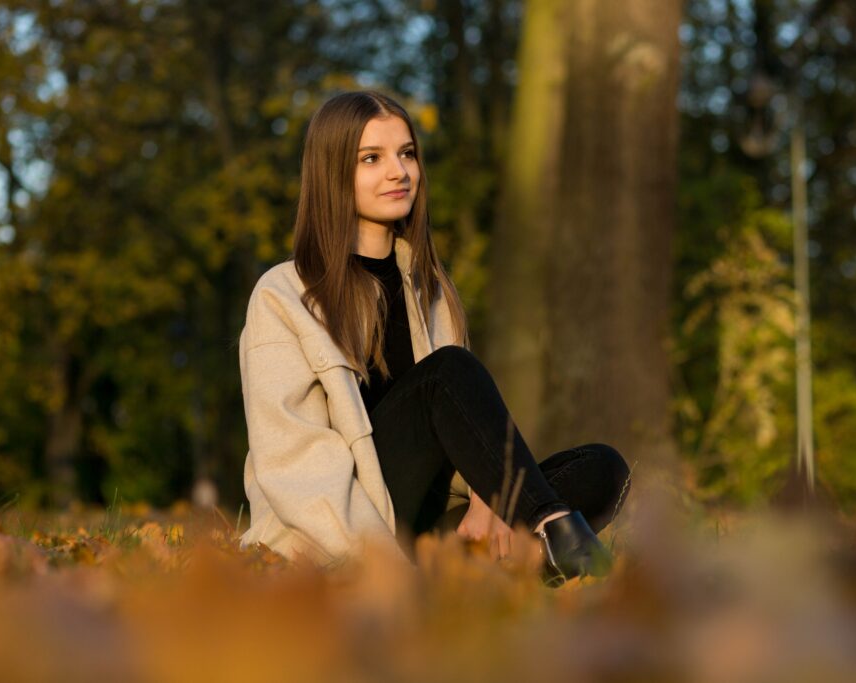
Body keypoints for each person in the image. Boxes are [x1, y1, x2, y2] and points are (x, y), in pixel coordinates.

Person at [237, 90, 631, 585]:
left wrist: (491, 495)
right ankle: (549, 540)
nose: (398, 171)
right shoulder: (283, 295)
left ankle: (487, 566)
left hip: (434, 525)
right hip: (343, 536)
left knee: (601, 468)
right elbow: (297, 467)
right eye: (370, 159)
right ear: (332, 173)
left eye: (406, 154)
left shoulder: (429, 286)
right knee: (448, 371)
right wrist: (381, 566)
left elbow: (467, 422)